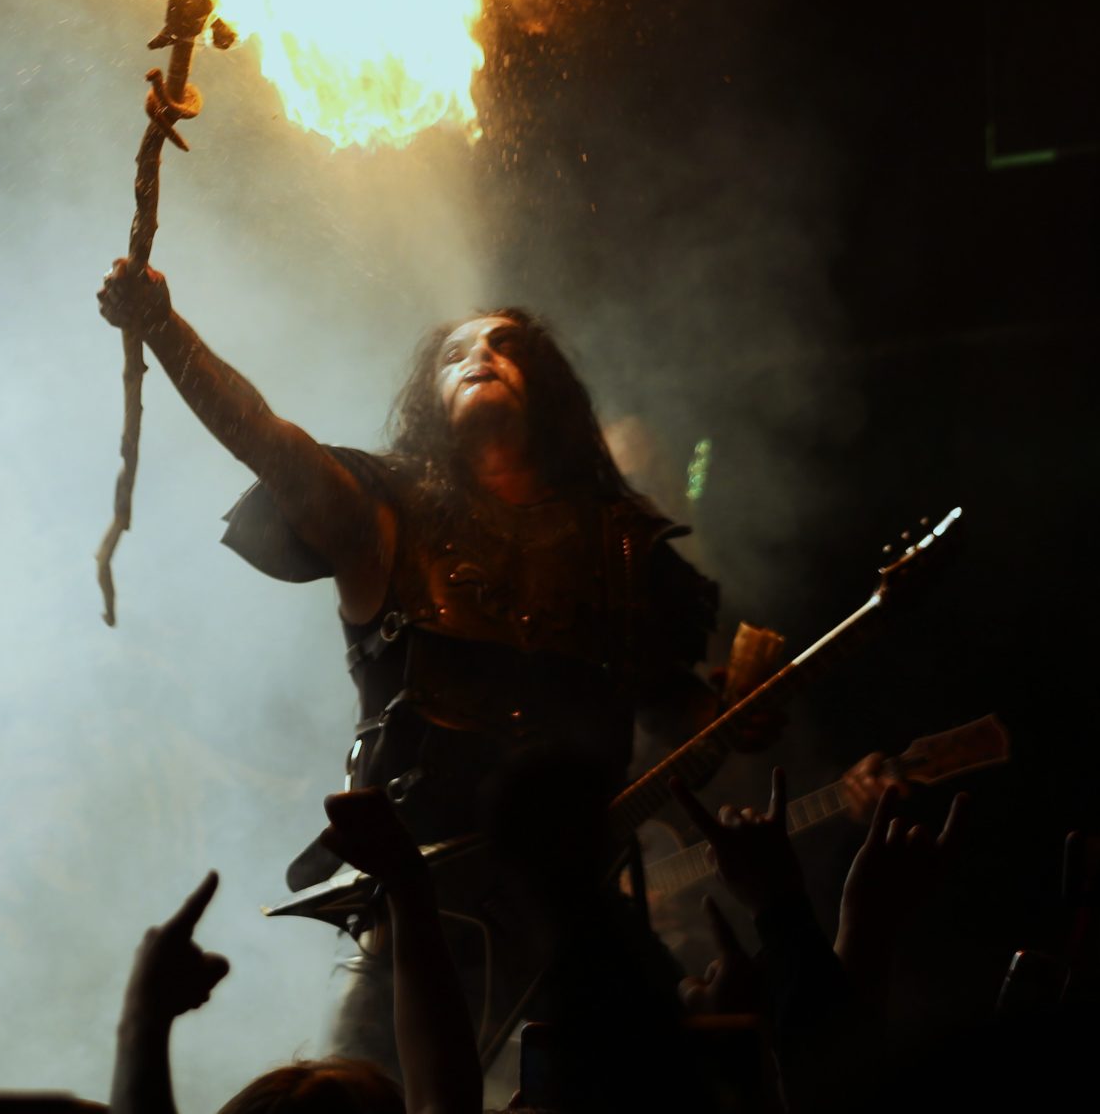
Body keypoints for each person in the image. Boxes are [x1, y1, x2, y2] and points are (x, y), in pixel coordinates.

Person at [97, 260, 758, 1068]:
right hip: (422, 916)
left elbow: (684, 715)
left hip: (582, 920)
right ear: (430, 398)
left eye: (506, 346)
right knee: (368, 1100)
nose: (482, 355)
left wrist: (744, 709)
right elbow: (267, 439)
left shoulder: (617, 546)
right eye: (457, 352)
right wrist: (164, 327)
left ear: (546, 388)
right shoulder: (384, 515)